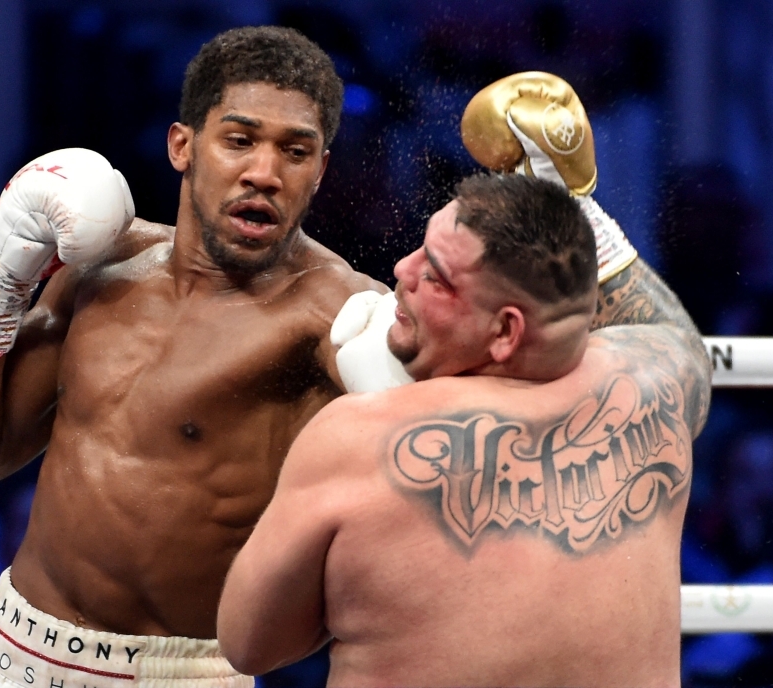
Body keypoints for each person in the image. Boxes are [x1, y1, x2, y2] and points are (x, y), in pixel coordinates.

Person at [0, 25, 405, 688]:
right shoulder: (98, 268)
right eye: (239, 139)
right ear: (183, 146)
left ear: (318, 171)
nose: (264, 172)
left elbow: (437, 488)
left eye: (295, 151)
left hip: (181, 674)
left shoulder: (334, 317)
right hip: (2, 650)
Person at [216, 75, 712, 687]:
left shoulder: (358, 438)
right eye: (421, 250)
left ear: (505, 332)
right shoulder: (650, 387)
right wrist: (571, 201)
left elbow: (249, 644)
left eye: (439, 276)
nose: (403, 269)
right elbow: (672, 334)